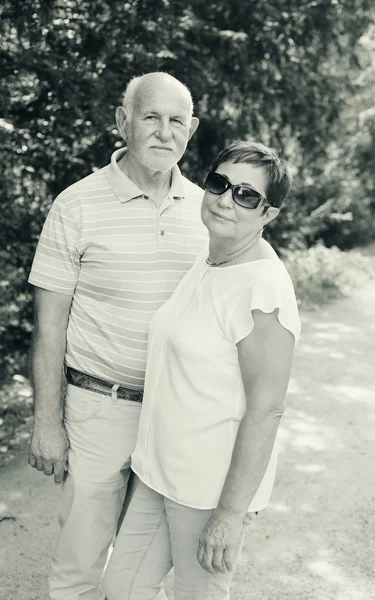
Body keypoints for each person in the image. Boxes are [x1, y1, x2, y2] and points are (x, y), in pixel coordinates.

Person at [27, 71, 207, 600]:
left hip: (175, 419)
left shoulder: (207, 212)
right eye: (151, 116)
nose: (164, 131)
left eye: (177, 120)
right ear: (122, 121)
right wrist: (46, 424)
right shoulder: (76, 205)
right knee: (78, 567)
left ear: (191, 130)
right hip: (97, 410)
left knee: (141, 575)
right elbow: (48, 327)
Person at [102, 140, 301, 600]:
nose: (226, 200)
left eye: (247, 195)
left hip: (208, 491)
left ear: (268, 214)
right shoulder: (210, 258)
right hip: (158, 473)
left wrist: (231, 515)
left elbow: (267, 409)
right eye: (220, 183)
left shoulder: (263, 289)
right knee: (122, 587)